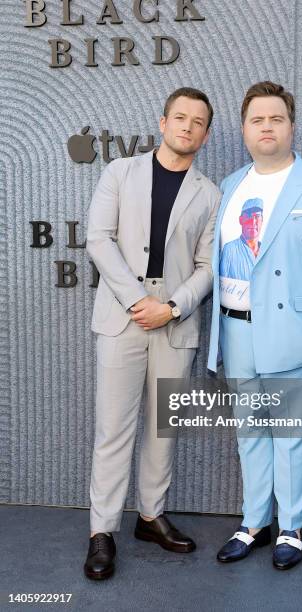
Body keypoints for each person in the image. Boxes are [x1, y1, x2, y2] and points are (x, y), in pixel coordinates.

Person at [207, 81, 302, 569]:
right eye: (258, 119)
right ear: (244, 129)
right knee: (249, 434)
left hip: (298, 337)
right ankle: (254, 523)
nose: (267, 127)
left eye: (276, 118)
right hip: (237, 333)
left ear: (292, 127)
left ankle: (291, 528)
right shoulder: (230, 188)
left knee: (291, 435)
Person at [84, 87, 221, 580]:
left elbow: (208, 265)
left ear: (205, 134)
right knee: (114, 428)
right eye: (179, 117)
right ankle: (102, 532)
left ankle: (150, 517)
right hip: (124, 315)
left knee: (164, 428)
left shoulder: (210, 193)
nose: (187, 126)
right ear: (162, 123)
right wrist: (137, 300)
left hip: (174, 320)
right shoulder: (120, 172)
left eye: (198, 121)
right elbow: (98, 238)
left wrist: (172, 306)